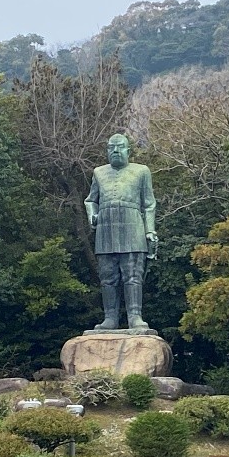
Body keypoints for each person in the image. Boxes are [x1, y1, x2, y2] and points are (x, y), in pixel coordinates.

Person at [85, 133, 157, 331]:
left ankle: (135, 316)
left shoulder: (141, 171)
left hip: (133, 227)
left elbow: (149, 204)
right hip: (106, 230)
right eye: (111, 147)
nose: (115, 151)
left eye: (119, 147)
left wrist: (150, 231)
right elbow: (91, 200)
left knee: (133, 274)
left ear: (128, 150)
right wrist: (93, 214)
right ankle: (110, 318)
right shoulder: (99, 172)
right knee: (107, 276)